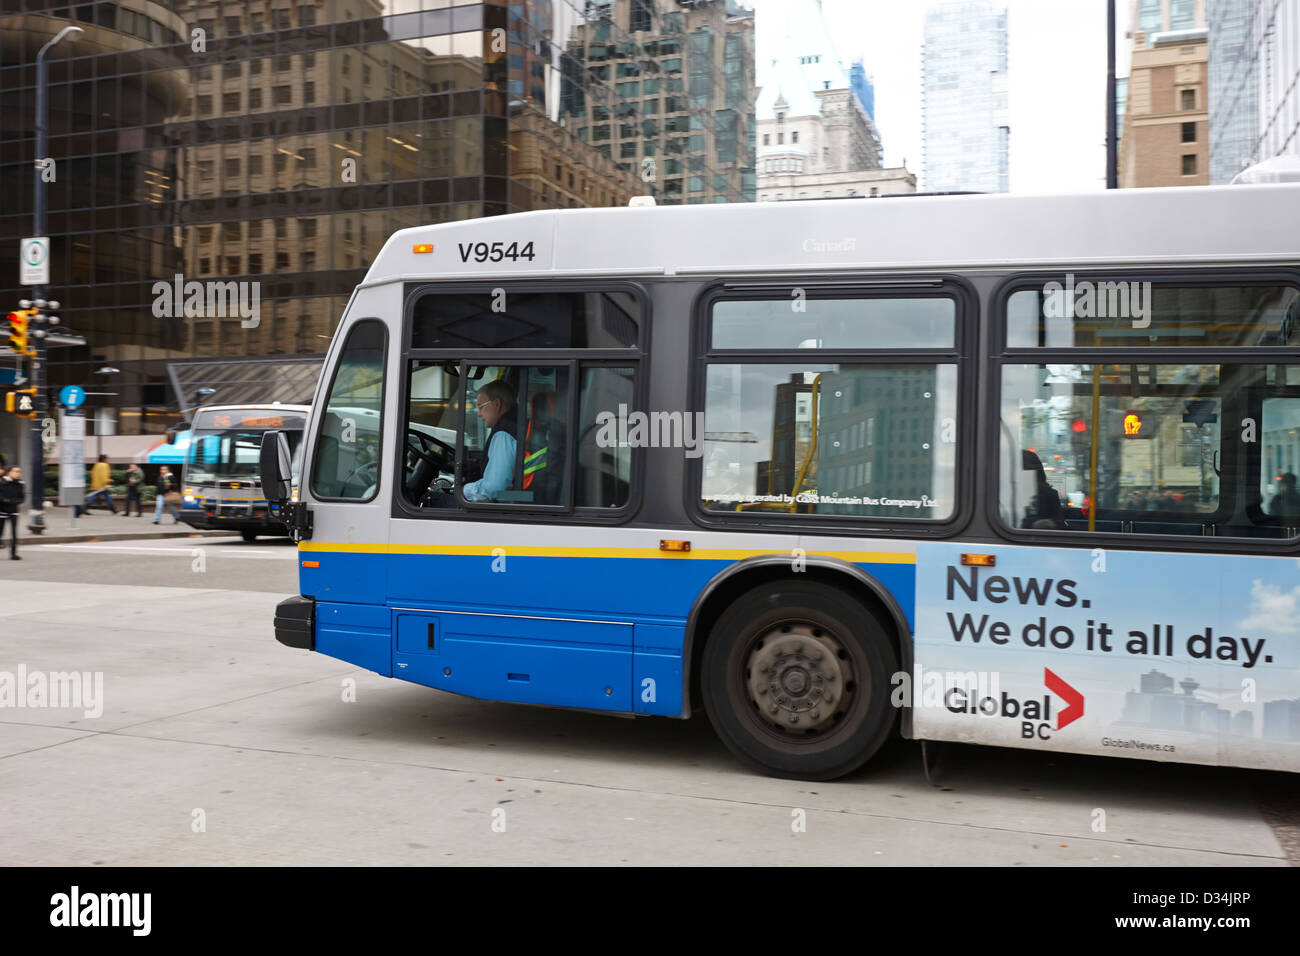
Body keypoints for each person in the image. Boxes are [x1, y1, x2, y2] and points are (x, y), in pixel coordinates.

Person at [421, 380, 519, 507]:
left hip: (504, 505)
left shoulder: (503, 435)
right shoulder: (516, 427)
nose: (478, 414)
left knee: (429, 499)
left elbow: (495, 488)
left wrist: (463, 491)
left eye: (481, 407)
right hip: (517, 497)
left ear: (496, 404)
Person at [0, 465, 23, 560]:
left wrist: (15, 502)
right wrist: (8, 501)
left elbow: (22, 498)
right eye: (15, 471)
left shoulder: (20, 484)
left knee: (14, 533)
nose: (17, 473)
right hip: (2, 511)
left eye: (19, 472)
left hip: (14, 511)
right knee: (0, 532)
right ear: (9, 472)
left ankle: (13, 554)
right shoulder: (2, 483)